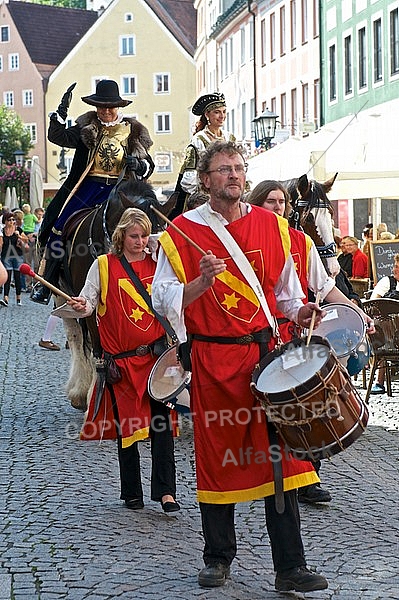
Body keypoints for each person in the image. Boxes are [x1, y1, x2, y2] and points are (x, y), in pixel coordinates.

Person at [152, 141, 332, 593]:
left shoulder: (273, 227)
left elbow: (288, 295)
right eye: (222, 169)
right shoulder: (180, 234)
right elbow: (161, 300)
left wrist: (301, 314)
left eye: (237, 168)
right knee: (219, 457)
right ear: (205, 179)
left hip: (267, 359)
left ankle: (290, 566)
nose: (233, 175)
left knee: (281, 460)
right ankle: (217, 558)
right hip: (214, 362)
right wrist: (200, 282)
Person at [248, 180, 373, 504]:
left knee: (307, 404)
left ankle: (308, 476)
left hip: (299, 334)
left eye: (282, 201)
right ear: (256, 205)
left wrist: (359, 314)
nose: (278, 207)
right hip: (261, 336)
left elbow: (326, 287)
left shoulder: (301, 242)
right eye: (270, 201)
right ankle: (274, 474)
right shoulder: (246, 240)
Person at [67, 208, 179, 513]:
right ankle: (132, 491)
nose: (140, 241)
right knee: (129, 429)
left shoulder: (159, 265)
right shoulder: (103, 266)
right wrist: (81, 305)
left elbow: (175, 249)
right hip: (124, 365)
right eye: (133, 236)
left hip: (157, 359)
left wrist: (156, 243)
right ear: (120, 237)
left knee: (162, 426)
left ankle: (167, 492)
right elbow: (88, 302)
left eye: (144, 235)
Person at [31, 79, 154, 305]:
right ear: (95, 107)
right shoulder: (87, 126)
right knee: (59, 226)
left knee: (148, 223)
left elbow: (149, 165)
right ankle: (47, 282)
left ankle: (152, 274)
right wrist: (60, 112)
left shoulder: (133, 130)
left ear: (118, 107)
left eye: (111, 107)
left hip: (120, 189)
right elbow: (58, 137)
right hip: (87, 186)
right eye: (101, 106)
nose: (106, 111)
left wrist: (138, 166)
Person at [169, 93, 235, 218]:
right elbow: (189, 175)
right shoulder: (199, 140)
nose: (222, 116)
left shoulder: (230, 137)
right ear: (207, 114)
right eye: (217, 112)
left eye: (224, 112)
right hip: (206, 194)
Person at [369, 253, 399, 394]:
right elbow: (373, 303)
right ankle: (379, 382)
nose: (394, 270)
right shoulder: (387, 282)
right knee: (382, 327)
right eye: (394, 266)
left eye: (398, 267)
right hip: (388, 332)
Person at [0, 212, 28, 306]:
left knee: (17, 277)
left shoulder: (18, 229)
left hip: (17, 256)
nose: (12, 221)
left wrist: (19, 236)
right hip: (6, 256)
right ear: (5, 221)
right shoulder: (2, 231)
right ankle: (5, 298)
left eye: (13, 219)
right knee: (7, 277)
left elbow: (26, 240)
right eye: (10, 220)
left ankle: (18, 298)